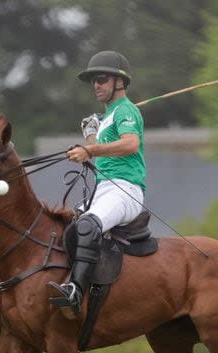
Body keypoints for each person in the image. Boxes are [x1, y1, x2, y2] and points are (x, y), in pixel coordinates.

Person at [49, 51, 146, 316]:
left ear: (119, 82)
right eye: (93, 80)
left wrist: (89, 151)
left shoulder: (126, 110)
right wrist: (91, 134)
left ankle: (75, 291)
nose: (96, 85)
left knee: (88, 226)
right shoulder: (108, 117)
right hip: (104, 188)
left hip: (126, 189)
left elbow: (130, 144)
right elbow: (100, 152)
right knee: (65, 227)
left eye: (101, 79)